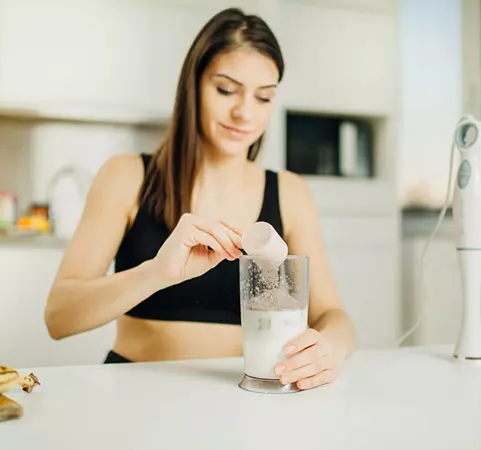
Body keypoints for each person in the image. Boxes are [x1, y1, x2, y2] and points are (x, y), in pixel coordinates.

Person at [44, 7, 355, 391]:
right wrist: (157, 272)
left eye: (264, 97)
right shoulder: (127, 177)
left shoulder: (290, 192)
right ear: (193, 85)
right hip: (134, 397)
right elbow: (58, 317)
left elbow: (333, 315)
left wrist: (332, 348)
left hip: (242, 396)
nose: (244, 113)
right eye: (226, 90)